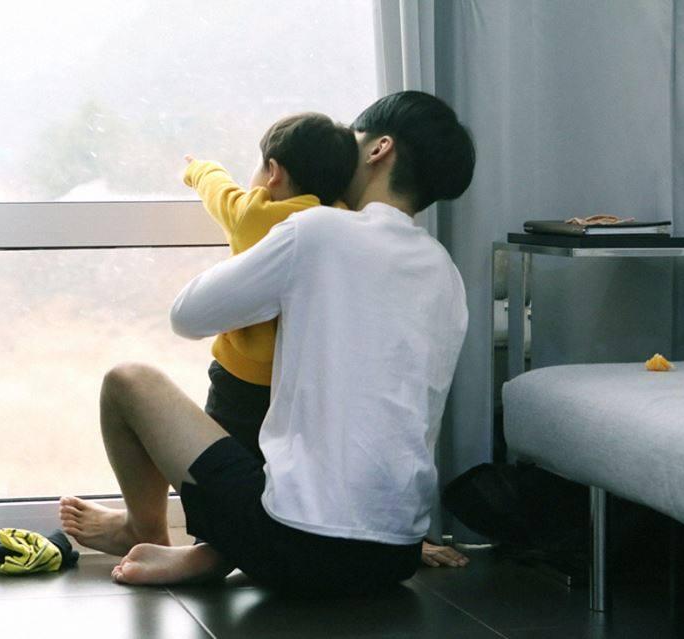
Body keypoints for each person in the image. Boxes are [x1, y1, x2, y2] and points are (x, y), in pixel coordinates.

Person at [59, 90, 476, 595]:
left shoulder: (318, 232)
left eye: (352, 138)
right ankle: (212, 553)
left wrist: (262, 239)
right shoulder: (446, 274)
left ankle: (142, 528)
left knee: (127, 381)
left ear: (378, 148)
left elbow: (187, 316)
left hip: (294, 544)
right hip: (395, 554)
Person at [183, 111, 357, 460]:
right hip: (304, 381)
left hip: (240, 379)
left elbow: (219, 192)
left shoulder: (255, 214)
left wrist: (198, 169)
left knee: (222, 456)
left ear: (273, 172)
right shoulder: (344, 221)